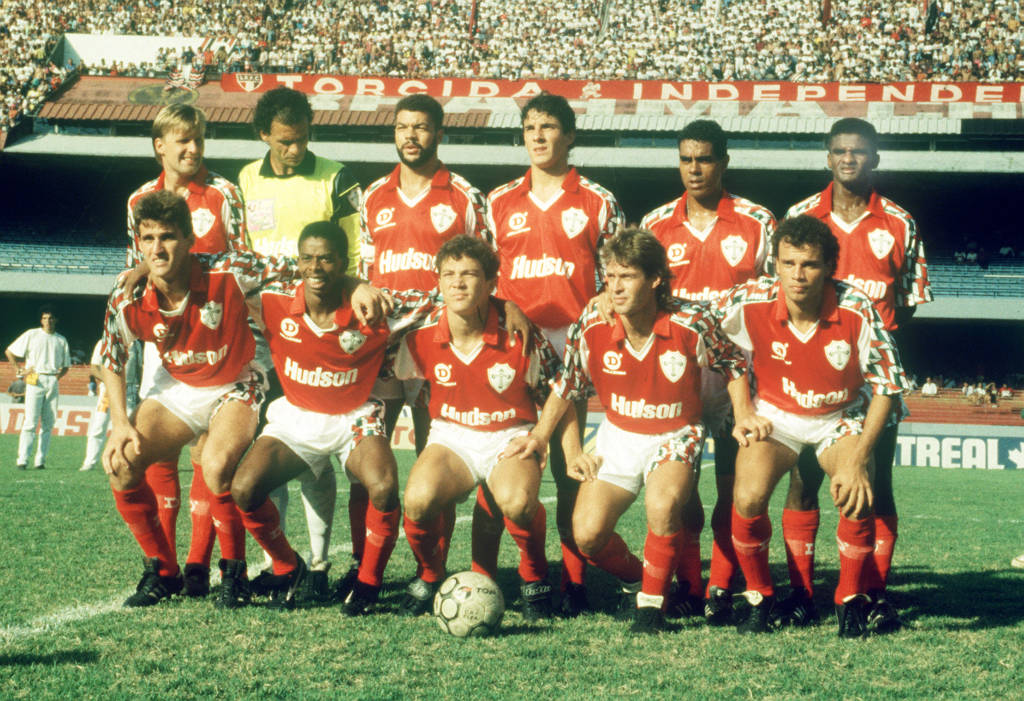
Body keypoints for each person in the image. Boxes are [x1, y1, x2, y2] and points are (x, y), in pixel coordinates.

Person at [505, 228, 747, 633]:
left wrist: (743, 414)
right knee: (588, 535)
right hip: (618, 435)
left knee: (663, 506)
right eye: (611, 277)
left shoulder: (692, 320)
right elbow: (567, 384)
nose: (615, 287)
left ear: (655, 279)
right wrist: (541, 437)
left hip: (677, 433)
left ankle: (651, 608)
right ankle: (641, 580)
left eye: (628, 277)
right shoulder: (592, 321)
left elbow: (733, 363)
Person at [713, 215, 911, 637]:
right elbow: (700, 328)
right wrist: (743, 409)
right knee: (746, 497)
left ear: (829, 267)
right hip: (777, 416)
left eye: (810, 265)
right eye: (788, 263)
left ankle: (849, 600)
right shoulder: (749, 299)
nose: (797, 275)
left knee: (856, 492)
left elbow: (888, 386)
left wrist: (858, 460)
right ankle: (760, 597)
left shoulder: (856, 307)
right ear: (775, 264)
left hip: (838, 417)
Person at [100, 190, 294, 608]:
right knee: (122, 464)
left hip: (236, 380)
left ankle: (236, 572)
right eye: (148, 239)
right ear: (138, 244)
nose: (157, 249)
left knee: (217, 464)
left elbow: (299, 269)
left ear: (190, 239)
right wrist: (120, 423)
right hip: (179, 385)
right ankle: (163, 571)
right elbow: (112, 357)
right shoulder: (127, 293)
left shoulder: (229, 269)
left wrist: (355, 285)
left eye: (168, 237)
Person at [230, 221, 435, 613]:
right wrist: (140, 267)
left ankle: (368, 584)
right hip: (297, 417)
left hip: (354, 417)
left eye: (326, 259)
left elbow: (440, 299)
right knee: (244, 488)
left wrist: (505, 306)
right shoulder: (270, 298)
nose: (315, 267)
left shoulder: (375, 307)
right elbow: (225, 264)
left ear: (343, 262)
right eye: (307, 258)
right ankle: (289, 569)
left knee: (383, 486)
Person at [780, 118, 932, 632]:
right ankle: (802, 594)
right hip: (810, 373)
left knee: (876, 483)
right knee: (803, 483)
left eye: (859, 151)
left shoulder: (900, 222)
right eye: (840, 151)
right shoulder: (800, 215)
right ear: (828, 157)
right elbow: (781, 290)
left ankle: (874, 593)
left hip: (871, 383)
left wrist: (870, 348)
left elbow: (907, 304)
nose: (849, 159)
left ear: (875, 159)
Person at [484, 92, 624, 615]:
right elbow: (482, 271)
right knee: (499, 454)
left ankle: (573, 582)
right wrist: (504, 304)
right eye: (530, 128)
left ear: (569, 135)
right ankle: (491, 576)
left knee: (568, 466)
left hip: (571, 344)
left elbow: (619, 271)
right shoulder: (499, 200)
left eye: (548, 127)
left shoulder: (598, 200)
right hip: (511, 346)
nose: (538, 136)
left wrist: (603, 302)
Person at [351, 94, 491, 598]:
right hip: (382, 342)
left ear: (439, 133)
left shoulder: (466, 196)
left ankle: (432, 571)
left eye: (421, 127)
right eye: (402, 127)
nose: (411, 136)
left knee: (438, 451)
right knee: (368, 455)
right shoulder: (372, 196)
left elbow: (486, 268)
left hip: (440, 340)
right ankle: (362, 568)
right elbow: (363, 268)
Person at [639, 119, 776, 624]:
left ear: (724, 161)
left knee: (732, 486)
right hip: (678, 375)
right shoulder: (655, 224)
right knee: (684, 490)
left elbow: (775, 300)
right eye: (686, 159)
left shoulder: (758, 221)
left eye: (705, 159)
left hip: (739, 377)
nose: (694, 169)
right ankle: (690, 585)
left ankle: (720, 584)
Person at [394, 236, 562, 620]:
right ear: (438, 281)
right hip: (452, 436)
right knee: (417, 501)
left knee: (518, 504)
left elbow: (562, 384)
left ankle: (534, 578)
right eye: (448, 274)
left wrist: (540, 435)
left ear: (490, 283)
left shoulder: (519, 332)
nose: (457, 282)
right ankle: (430, 575)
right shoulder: (417, 327)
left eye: (469, 274)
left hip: (509, 434)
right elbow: (374, 305)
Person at [239, 86, 364, 598]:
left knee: (314, 451)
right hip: (263, 334)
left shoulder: (337, 176)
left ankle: (317, 563)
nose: (295, 149)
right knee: (269, 451)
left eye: (303, 139)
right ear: (263, 135)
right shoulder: (246, 179)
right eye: (285, 141)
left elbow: (357, 254)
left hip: (320, 331)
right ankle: (279, 562)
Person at [126, 103, 252, 599]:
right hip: (162, 332)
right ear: (160, 145)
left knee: (206, 450)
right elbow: (138, 264)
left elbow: (241, 258)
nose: (193, 148)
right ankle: (164, 567)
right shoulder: (139, 198)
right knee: (157, 451)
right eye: (182, 140)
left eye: (198, 139)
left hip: (211, 330)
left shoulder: (223, 193)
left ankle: (199, 563)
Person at [6, 305, 70, 470]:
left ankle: (40, 461)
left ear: (56, 320)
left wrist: (56, 378)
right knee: (30, 421)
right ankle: (22, 460)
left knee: (48, 423)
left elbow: (66, 366)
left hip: (52, 379)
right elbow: (10, 351)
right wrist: (19, 369)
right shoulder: (32, 334)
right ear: (41, 320)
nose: (48, 321)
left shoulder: (61, 340)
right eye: (45, 318)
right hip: (35, 378)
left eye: (51, 318)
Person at [80, 340, 110, 471]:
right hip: (109, 391)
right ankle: (90, 462)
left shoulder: (135, 344)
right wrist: (110, 381)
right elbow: (94, 367)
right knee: (99, 424)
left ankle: (129, 463)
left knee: (133, 427)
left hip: (130, 391)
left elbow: (138, 369)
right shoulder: (105, 342)